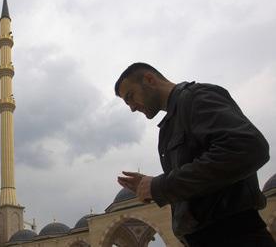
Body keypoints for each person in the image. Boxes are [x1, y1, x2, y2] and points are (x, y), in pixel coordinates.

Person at [114, 62, 275, 246]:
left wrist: (161, 185)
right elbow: (199, 178)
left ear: (149, 79)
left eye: (131, 96)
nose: (133, 108)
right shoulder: (169, 125)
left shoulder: (197, 98)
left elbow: (248, 148)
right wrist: (154, 185)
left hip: (234, 236)